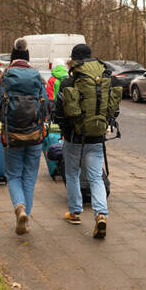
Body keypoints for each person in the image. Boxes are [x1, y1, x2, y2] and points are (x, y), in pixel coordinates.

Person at [53, 44, 115, 238]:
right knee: (96, 177)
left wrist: (64, 130)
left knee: (72, 174)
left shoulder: (68, 82)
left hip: (73, 137)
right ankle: (101, 214)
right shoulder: (106, 79)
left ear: (74, 60)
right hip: (96, 137)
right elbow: (113, 109)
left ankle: (74, 212)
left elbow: (59, 113)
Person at [0, 39, 48, 235]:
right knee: (29, 177)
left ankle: (19, 207)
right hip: (35, 134)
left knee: (14, 175)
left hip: (12, 134)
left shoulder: (5, 75)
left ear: (13, 57)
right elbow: (46, 105)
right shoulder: (37, 76)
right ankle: (26, 216)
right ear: (28, 59)